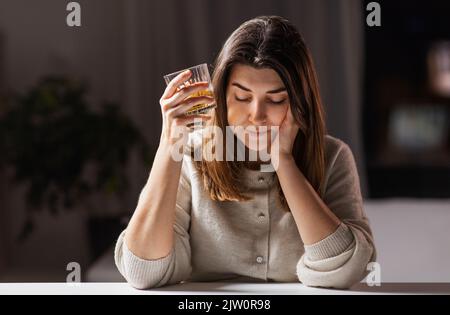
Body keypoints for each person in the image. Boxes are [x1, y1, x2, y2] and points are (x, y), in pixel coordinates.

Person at [114, 15, 376, 290]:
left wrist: (284, 161)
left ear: (300, 101)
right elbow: (142, 271)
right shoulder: (192, 154)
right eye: (241, 97)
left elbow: (344, 270)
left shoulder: (333, 156)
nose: (257, 116)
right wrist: (170, 145)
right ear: (221, 96)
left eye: (276, 100)